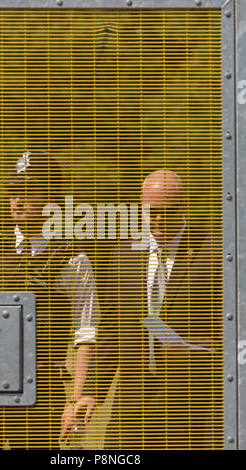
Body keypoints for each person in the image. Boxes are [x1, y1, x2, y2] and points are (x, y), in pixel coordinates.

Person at [0, 150, 98, 449]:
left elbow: (86, 334)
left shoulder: (73, 258)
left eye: (28, 191)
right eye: (14, 191)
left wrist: (75, 401)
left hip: (41, 395)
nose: (18, 199)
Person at [87, 169, 222, 450]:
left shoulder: (216, 253)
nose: (158, 219)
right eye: (151, 211)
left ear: (184, 206)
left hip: (194, 406)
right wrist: (90, 392)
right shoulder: (123, 254)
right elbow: (111, 329)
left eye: (167, 211)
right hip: (132, 406)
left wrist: (198, 351)